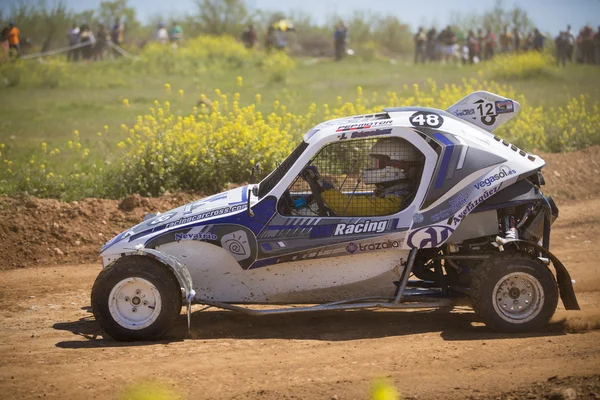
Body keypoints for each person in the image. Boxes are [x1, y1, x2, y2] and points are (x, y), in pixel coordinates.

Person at [301, 139, 422, 217]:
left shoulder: (394, 201)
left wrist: (326, 190)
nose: (372, 167)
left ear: (397, 166)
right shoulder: (387, 193)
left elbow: (347, 207)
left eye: (377, 163)